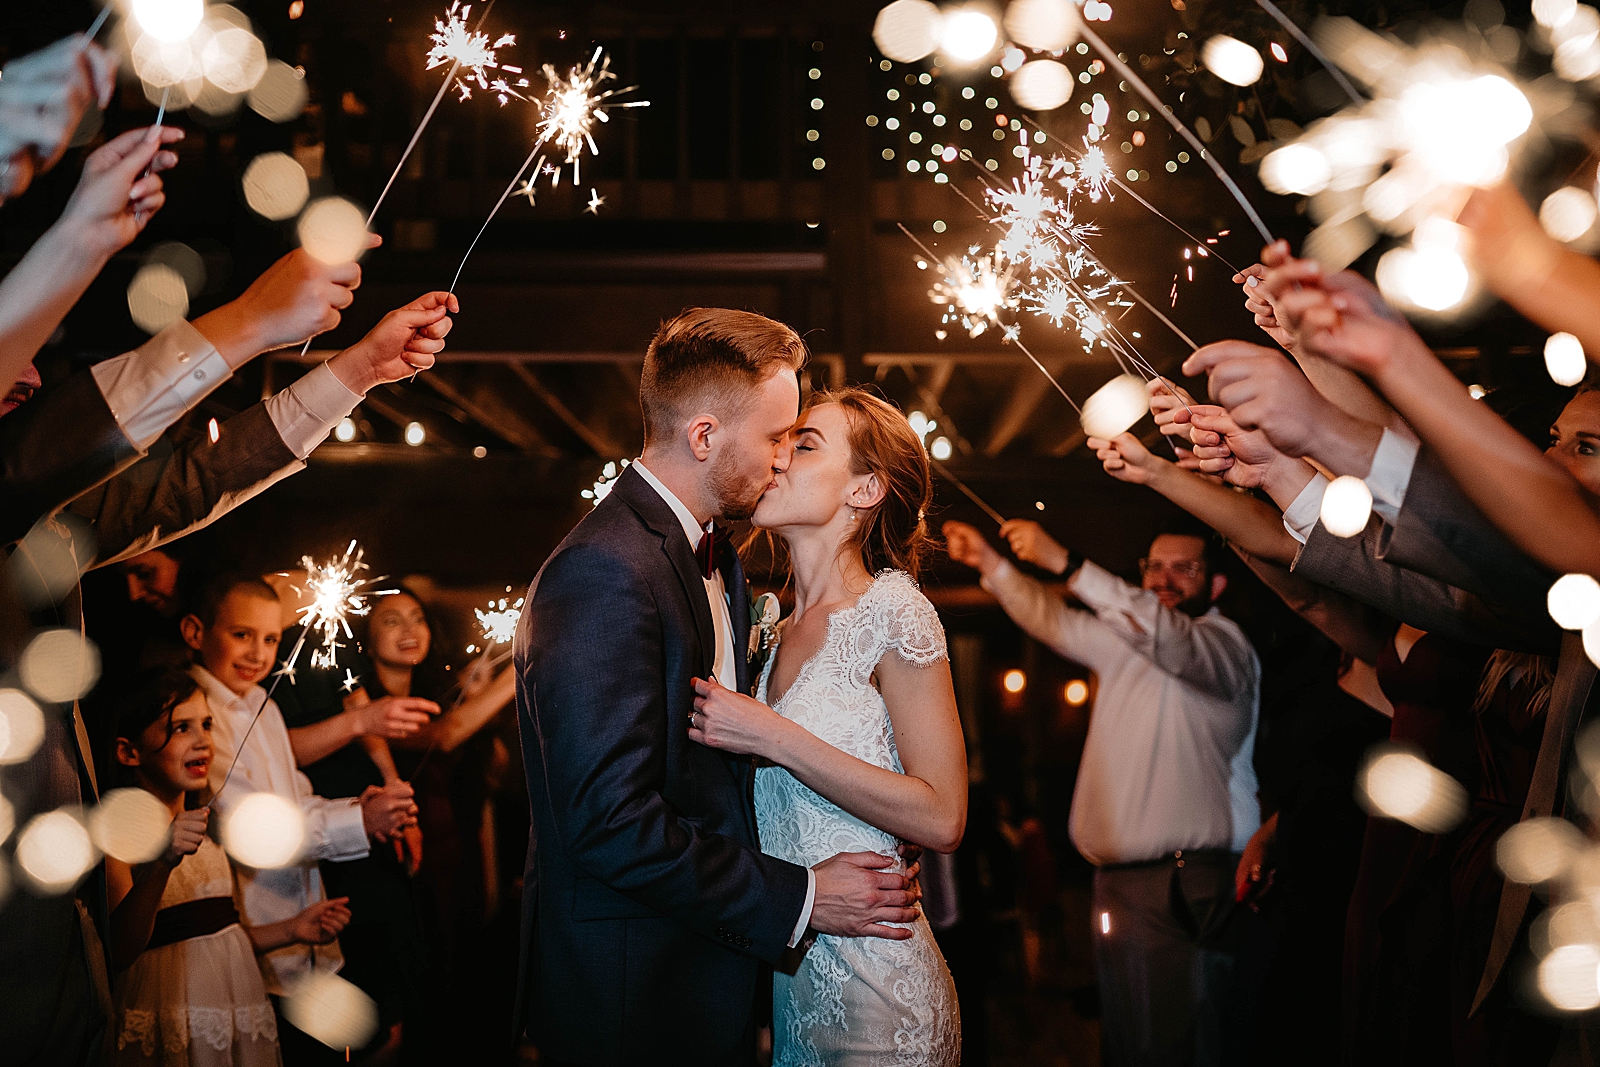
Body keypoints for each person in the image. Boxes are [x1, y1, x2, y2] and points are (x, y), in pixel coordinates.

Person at [514, 308, 923, 1066]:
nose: (782, 460)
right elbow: (608, 822)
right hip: (635, 995)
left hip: (712, 973)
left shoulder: (722, 564)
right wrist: (802, 894)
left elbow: (717, 780)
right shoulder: (604, 570)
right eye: (776, 438)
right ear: (704, 436)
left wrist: (861, 832)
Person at [687, 388, 967, 1065]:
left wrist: (770, 734)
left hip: (882, 992)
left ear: (865, 488)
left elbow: (943, 816)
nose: (777, 458)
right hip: (795, 989)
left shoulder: (895, 612)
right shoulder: (771, 631)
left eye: (804, 444)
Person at [943, 517, 1259, 1067]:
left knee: (1173, 1046)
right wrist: (991, 564)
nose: (1164, 579)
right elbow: (1053, 619)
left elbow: (1165, 632)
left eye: (1183, 568)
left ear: (1217, 585)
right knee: (1128, 1043)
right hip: (1119, 884)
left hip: (1179, 882)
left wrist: (1065, 562)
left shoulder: (1220, 648)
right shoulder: (1129, 644)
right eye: (1154, 567)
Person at [181, 573, 418, 1062]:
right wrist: (358, 824)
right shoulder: (198, 713)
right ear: (195, 632)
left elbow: (296, 797)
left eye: (270, 639)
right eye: (241, 635)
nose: (258, 654)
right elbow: (252, 826)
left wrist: (360, 809)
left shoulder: (262, 704)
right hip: (255, 934)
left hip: (308, 928)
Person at [106, 666, 352, 1067]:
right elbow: (120, 950)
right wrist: (162, 864)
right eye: (181, 728)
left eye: (206, 724)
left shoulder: (214, 829)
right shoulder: (119, 833)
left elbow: (222, 941)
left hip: (234, 1009)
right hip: (169, 1017)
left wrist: (292, 928)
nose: (203, 740)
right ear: (129, 751)